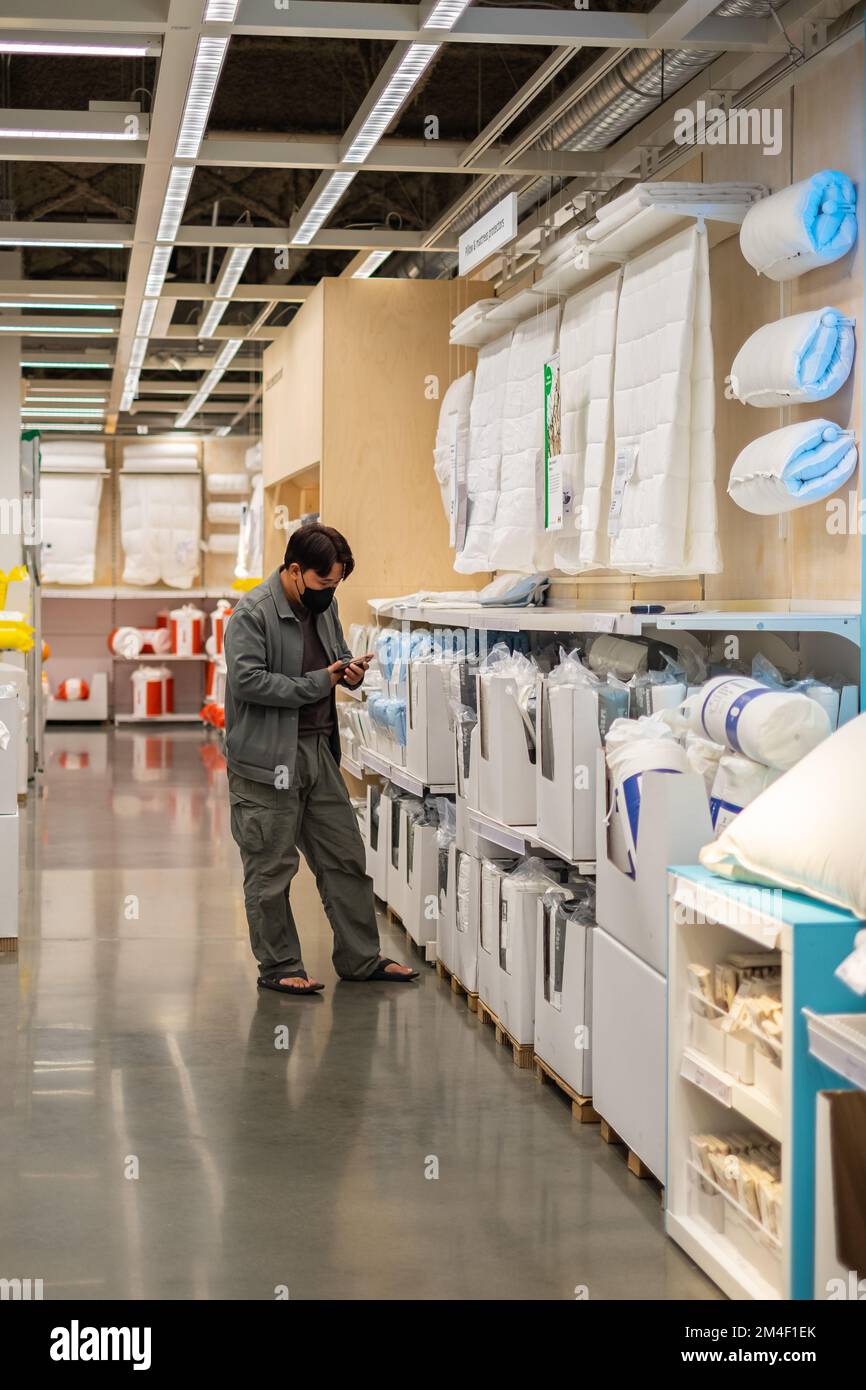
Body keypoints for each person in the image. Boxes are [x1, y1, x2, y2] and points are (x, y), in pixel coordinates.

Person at [223, 522, 418, 994]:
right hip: (267, 762)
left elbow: (333, 660)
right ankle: (279, 966)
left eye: (336, 585)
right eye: (323, 583)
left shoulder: (323, 606)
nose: (329, 594)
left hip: (318, 752)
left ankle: (361, 958)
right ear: (294, 570)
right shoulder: (252, 614)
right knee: (271, 869)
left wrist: (348, 673)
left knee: (345, 858)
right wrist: (319, 682)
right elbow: (249, 682)